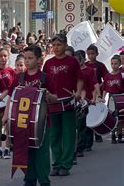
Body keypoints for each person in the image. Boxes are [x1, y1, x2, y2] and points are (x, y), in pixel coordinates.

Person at [3, 45, 56, 186]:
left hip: (41, 121)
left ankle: (44, 181)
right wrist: (6, 116)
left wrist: (50, 96)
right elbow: (10, 97)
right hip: (22, 121)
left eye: (30, 58)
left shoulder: (45, 77)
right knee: (26, 149)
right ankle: (29, 180)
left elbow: (55, 97)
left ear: (39, 60)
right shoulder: (19, 77)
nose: (27, 61)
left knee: (42, 151)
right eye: (25, 58)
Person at [43, 34, 83, 176]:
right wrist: (47, 95)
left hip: (68, 102)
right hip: (53, 103)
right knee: (54, 135)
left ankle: (66, 164)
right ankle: (56, 163)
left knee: (68, 134)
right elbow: (43, 83)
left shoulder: (72, 61)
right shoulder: (48, 63)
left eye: (59, 45)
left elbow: (79, 79)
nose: (56, 48)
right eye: (54, 45)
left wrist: (78, 92)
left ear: (65, 45)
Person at [74, 50, 99, 157]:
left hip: (86, 100)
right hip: (75, 100)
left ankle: (85, 145)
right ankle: (81, 146)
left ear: (82, 60)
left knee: (85, 125)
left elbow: (94, 84)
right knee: (80, 125)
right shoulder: (73, 72)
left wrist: (95, 97)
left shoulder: (88, 71)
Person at [0, 47, 14, 161]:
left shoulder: (11, 71)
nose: (3, 58)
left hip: (8, 101)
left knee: (8, 125)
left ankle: (7, 148)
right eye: (1, 56)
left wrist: (5, 95)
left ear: (8, 56)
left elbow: (12, 88)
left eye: (5, 56)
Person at [85, 44, 109, 143]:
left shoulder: (100, 65)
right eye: (89, 54)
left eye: (93, 54)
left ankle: (98, 134)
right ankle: (89, 137)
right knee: (89, 114)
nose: (91, 56)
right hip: (88, 93)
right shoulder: (85, 65)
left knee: (98, 113)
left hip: (98, 92)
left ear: (97, 54)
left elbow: (107, 78)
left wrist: (100, 85)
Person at [101, 55, 124, 143]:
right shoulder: (107, 76)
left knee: (121, 117)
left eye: (116, 64)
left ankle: (120, 135)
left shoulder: (121, 75)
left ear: (119, 64)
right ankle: (113, 135)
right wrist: (103, 98)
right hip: (111, 98)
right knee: (113, 116)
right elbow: (105, 89)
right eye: (112, 64)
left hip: (120, 96)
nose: (114, 65)